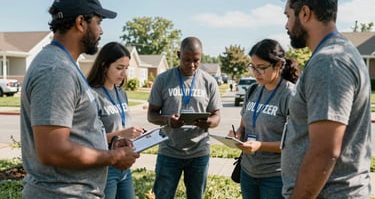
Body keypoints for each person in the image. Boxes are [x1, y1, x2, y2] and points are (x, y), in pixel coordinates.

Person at [20, 0, 140, 199]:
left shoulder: (65, 65)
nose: (101, 31)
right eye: (99, 23)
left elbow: (77, 132)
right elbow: (52, 150)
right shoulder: (56, 71)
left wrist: (109, 143)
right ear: (81, 22)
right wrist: (111, 157)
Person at [281, 0, 372, 198]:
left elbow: (324, 151)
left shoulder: (329, 61)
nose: (285, 25)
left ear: (305, 13)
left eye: (288, 16)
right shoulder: (336, 54)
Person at [147, 36, 222, 199]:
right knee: (163, 195)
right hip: (169, 150)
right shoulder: (163, 79)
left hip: (199, 152)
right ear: (178, 54)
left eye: (196, 60)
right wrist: (167, 120)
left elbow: (217, 116)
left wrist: (208, 122)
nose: (192, 65)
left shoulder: (209, 82)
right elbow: (151, 114)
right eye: (186, 60)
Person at [230, 39, 299, 199]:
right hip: (247, 172)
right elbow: (243, 127)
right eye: (252, 67)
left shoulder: (290, 95)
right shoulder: (252, 90)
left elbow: (293, 143)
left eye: (261, 67)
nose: (256, 72)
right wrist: (238, 136)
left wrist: (260, 145)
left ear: (278, 65)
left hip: (275, 177)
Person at [87, 42, 145, 199]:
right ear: (104, 66)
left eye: (126, 68)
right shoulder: (92, 95)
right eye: (119, 68)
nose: (124, 73)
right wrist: (121, 134)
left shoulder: (121, 92)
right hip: (105, 167)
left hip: (124, 165)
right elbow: (88, 139)